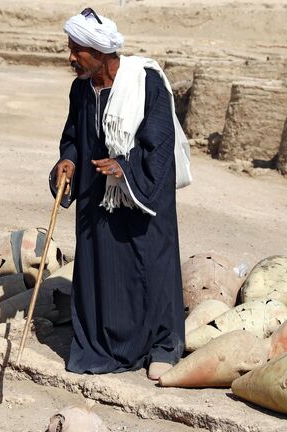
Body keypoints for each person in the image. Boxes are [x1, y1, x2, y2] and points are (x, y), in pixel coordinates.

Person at [50, 8, 192, 380]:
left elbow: (159, 142)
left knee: (148, 268)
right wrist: (68, 161)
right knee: (101, 270)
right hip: (96, 196)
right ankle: (103, 341)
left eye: (76, 51)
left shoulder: (145, 82)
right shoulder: (81, 88)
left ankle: (160, 344)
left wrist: (125, 170)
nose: (70, 58)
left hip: (138, 196)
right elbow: (74, 136)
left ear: (100, 52)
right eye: (70, 49)